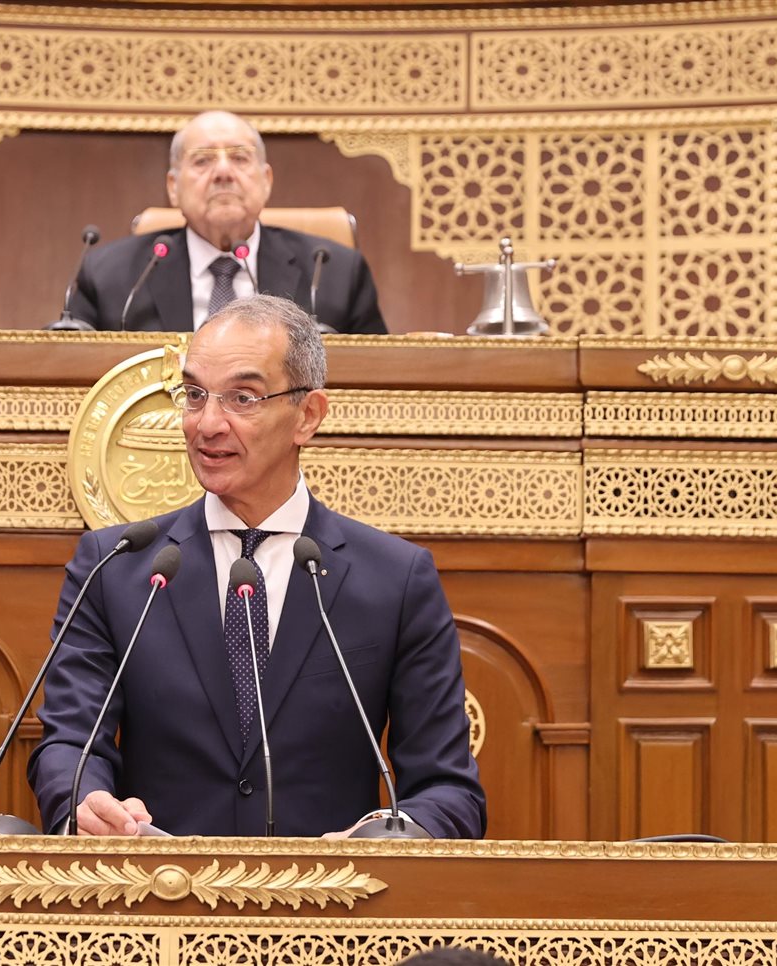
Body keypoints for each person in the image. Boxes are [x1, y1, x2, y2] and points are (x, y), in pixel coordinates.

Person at [27, 295, 483, 837]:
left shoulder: (396, 579)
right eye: (195, 395)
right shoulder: (116, 568)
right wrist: (85, 801)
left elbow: (447, 790)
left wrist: (381, 839)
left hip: (332, 889)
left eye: (242, 398)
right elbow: (70, 743)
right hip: (156, 884)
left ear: (307, 416)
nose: (207, 424)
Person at [69, 111, 386, 334]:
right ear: (173, 188)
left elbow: (376, 383)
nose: (223, 172)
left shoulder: (335, 274)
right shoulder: (109, 276)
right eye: (202, 160)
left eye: (239, 158)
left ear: (266, 181)